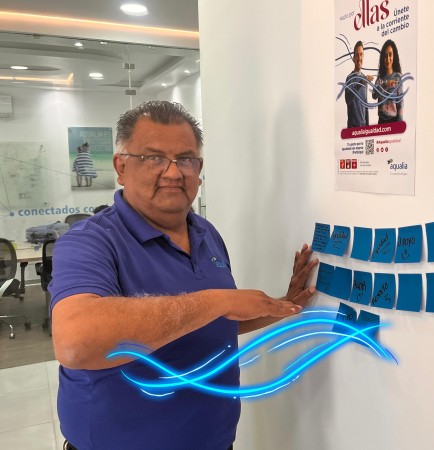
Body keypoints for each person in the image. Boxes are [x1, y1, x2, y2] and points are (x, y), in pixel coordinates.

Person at [49, 100, 318, 450]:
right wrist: (218, 300)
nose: (174, 173)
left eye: (186, 159)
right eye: (153, 158)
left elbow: (214, 323)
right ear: (121, 167)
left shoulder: (206, 233)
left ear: (199, 168)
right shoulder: (89, 241)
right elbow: (75, 342)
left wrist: (283, 305)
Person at [372, 39, 404, 124]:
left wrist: (399, 122)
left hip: (394, 121)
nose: (388, 59)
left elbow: (400, 102)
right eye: (385, 56)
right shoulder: (380, 78)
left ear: (394, 56)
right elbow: (374, 95)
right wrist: (384, 85)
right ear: (383, 58)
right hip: (381, 122)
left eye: (390, 55)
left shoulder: (398, 77)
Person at [344, 41, 373, 128]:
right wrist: (361, 83)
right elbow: (348, 100)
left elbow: (366, 105)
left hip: (363, 128)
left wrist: (368, 128)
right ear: (353, 58)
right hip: (352, 128)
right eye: (357, 55)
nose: (359, 58)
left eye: (361, 54)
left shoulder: (364, 78)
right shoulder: (349, 78)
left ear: (363, 56)